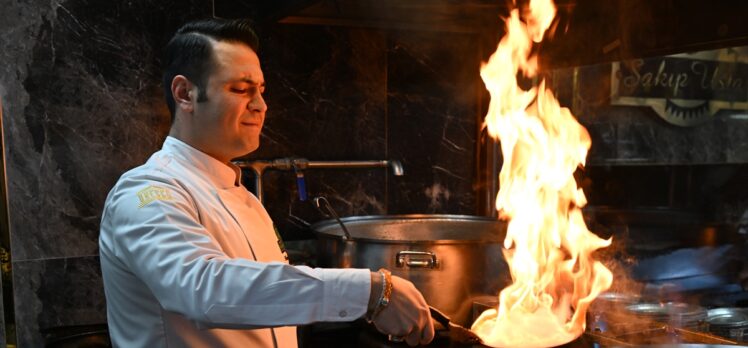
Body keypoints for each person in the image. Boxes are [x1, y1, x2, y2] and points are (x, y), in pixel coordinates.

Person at [99, 18, 434, 348]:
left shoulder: (244, 198)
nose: (260, 105)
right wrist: (371, 290)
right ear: (185, 93)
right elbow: (203, 290)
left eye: (261, 90)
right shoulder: (147, 192)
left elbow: (267, 303)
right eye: (241, 89)